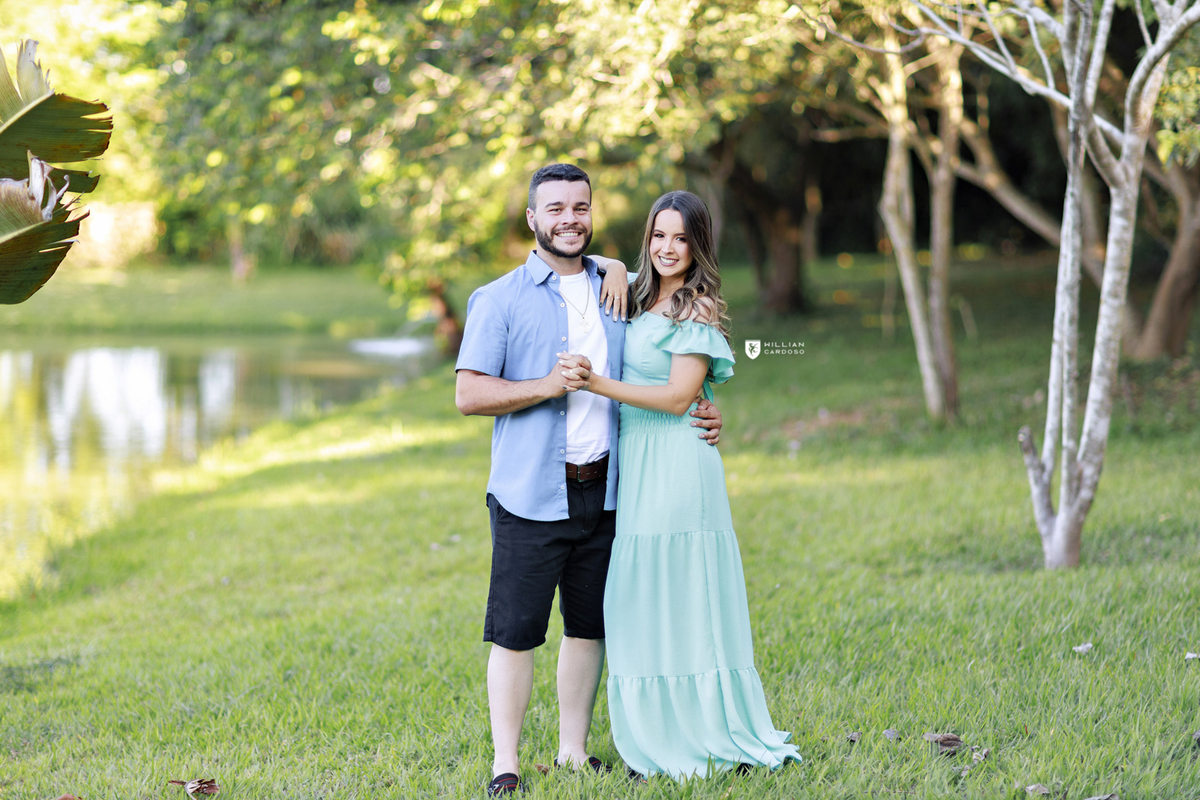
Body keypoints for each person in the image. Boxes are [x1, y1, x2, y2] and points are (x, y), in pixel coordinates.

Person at [454, 165, 724, 797]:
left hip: (606, 490)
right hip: (528, 493)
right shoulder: (499, 299)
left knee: (588, 626)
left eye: (580, 207)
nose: (569, 218)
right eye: (555, 209)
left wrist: (705, 402)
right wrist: (547, 386)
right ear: (531, 218)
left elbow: (670, 353)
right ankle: (506, 763)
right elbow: (467, 393)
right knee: (516, 632)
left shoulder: (618, 289)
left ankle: (573, 751)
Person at [557, 190, 800, 779]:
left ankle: (705, 731)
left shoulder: (698, 308)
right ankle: (654, 733)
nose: (668, 249)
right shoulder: (635, 290)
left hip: (677, 463)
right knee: (639, 597)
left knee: (684, 594)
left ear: (699, 245)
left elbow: (676, 398)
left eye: (681, 238)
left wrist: (593, 385)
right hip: (635, 465)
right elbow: (594, 266)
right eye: (659, 236)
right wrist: (615, 263)